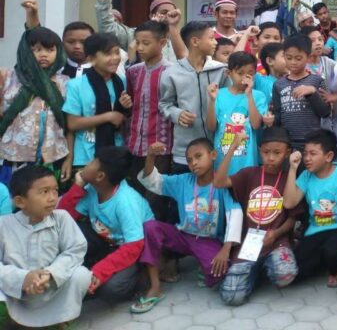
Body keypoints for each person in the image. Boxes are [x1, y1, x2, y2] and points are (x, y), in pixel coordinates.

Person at [132, 138, 242, 313]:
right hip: (182, 235)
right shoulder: (184, 181)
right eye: (190, 160)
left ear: (213, 155)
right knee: (150, 227)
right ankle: (155, 286)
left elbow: (235, 213)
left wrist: (226, 249)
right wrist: (151, 156)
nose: (194, 163)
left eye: (198, 156)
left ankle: (203, 264)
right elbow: (153, 181)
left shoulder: (221, 183)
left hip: (209, 240)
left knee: (217, 275)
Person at [214, 127, 300, 306]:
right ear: (260, 150)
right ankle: (255, 272)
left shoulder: (288, 179)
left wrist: (276, 234)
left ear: (287, 153)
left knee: (285, 274)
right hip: (249, 244)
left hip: (276, 241)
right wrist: (232, 147)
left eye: (277, 153)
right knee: (232, 297)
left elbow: (292, 218)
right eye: (266, 152)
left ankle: (263, 267)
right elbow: (219, 182)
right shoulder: (249, 174)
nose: (271, 157)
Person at [58, 146, 154, 301]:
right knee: (71, 231)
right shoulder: (92, 188)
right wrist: (77, 187)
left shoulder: (125, 201)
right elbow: (63, 218)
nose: (86, 164)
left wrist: (99, 271)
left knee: (111, 289)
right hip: (107, 244)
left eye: (92, 162)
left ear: (100, 176)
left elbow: (133, 247)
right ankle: (88, 275)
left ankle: (142, 278)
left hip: (135, 251)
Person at [0, 166, 92, 327]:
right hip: (16, 293)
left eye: (55, 190)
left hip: (52, 289)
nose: (52, 198)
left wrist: (50, 273)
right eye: (44, 192)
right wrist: (23, 278)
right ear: (20, 201)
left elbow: (75, 249)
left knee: (81, 274)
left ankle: (61, 320)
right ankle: (11, 321)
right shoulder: (3, 225)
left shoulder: (61, 218)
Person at [0, 0, 69, 187]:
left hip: (52, 157)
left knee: (43, 204)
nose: (43, 54)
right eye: (36, 50)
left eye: (49, 49)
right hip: (14, 157)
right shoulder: (9, 77)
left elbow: (70, 122)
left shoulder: (64, 83)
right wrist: (32, 15)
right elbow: (29, 34)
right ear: (26, 52)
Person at [283, 130, 337, 288]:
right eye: (305, 153)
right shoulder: (307, 175)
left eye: (313, 154)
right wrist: (292, 169)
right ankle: (323, 262)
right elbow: (289, 203)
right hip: (316, 230)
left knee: (332, 252)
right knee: (292, 273)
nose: (307, 158)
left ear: (328, 157)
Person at [159, 21, 229, 173]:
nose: (215, 42)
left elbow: (230, 101)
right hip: (185, 153)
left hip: (218, 148)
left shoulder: (222, 71)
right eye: (211, 38)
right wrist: (177, 114)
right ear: (195, 41)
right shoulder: (171, 73)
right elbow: (164, 104)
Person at [62, 33, 130, 181]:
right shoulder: (76, 85)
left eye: (117, 52)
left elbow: (124, 118)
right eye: (107, 54)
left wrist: (126, 109)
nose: (114, 58)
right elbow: (72, 123)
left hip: (117, 151)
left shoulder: (122, 81)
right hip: (86, 155)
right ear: (91, 59)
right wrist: (108, 116)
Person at [125, 20, 173, 220]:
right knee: (135, 197)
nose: (140, 48)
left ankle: (155, 244)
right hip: (135, 145)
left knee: (155, 199)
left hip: (161, 147)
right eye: (138, 42)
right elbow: (129, 104)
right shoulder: (133, 71)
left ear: (162, 43)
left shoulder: (172, 72)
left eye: (146, 43)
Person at [95, 0, 186, 62]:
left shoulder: (182, 39)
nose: (169, 16)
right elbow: (108, 29)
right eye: (164, 12)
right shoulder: (134, 34)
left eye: (172, 13)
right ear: (151, 16)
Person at [208, 52, 266, 175]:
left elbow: (256, 125)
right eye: (240, 73)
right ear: (229, 73)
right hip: (222, 163)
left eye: (250, 73)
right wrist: (212, 100)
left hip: (248, 164)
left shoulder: (258, 96)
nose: (245, 77)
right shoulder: (219, 94)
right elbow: (211, 127)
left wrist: (249, 95)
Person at [270, 34, 330, 150]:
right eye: (289, 58)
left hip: (313, 142)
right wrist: (270, 120)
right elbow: (278, 114)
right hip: (288, 142)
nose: (293, 62)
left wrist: (312, 92)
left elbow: (325, 112)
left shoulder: (317, 81)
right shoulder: (278, 84)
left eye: (298, 58)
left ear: (307, 57)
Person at [255, 42, 285, 110]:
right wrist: (246, 35)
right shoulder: (259, 80)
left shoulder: (294, 82)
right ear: (270, 61)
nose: (290, 61)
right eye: (285, 56)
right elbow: (237, 59)